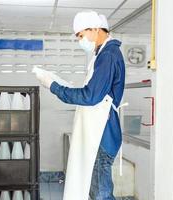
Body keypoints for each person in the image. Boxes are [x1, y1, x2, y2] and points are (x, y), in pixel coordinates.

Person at [35, 11, 125, 200]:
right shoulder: (102, 54)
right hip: (99, 132)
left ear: (94, 29)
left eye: (81, 35)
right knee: (95, 192)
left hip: (103, 134)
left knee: (101, 194)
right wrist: (58, 84)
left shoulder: (108, 55)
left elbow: (90, 96)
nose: (80, 41)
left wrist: (53, 86)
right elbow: (93, 93)